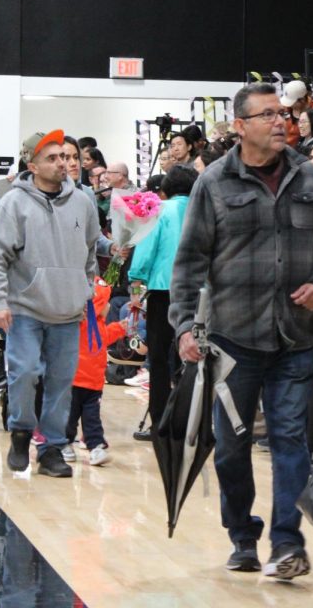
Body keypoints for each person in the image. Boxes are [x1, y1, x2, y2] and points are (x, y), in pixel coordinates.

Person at [169, 83, 313, 579]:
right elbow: (190, 262)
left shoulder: (309, 178)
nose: (280, 121)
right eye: (267, 114)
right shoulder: (215, 183)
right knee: (230, 445)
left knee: (291, 438)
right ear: (241, 127)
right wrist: (185, 324)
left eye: (282, 113)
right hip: (232, 340)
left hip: (295, 337)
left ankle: (288, 543)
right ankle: (242, 535)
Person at [0, 129, 102, 478]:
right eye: (53, 157)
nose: (63, 163)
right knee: (26, 373)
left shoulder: (83, 201)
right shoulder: (12, 204)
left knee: (62, 382)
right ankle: (20, 433)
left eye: (66, 156)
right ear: (31, 165)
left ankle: (51, 447)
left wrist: (86, 288)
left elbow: (91, 247)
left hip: (67, 310)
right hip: (24, 309)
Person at [127, 164, 197, 429]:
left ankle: (160, 420)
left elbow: (145, 252)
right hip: (198, 293)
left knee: (158, 358)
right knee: (190, 357)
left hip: (163, 290)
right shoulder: (202, 210)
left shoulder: (159, 211)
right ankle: (187, 419)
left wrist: (136, 287)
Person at [66, 277, 124, 466]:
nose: (109, 306)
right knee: (74, 418)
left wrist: (120, 328)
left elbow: (105, 337)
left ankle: (95, 446)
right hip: (78, 382)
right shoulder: (82, 323)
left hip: (92, 383)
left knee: (88, 419)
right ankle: (66, 444)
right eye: (106, 302)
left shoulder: (94, 323)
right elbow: (104, 337)